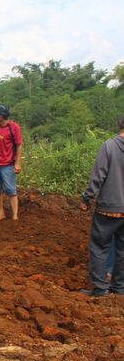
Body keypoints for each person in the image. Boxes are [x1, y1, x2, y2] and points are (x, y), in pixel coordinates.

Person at [80, 116, 124, 297]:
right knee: (122, 249)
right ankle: (120, 288)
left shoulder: (110, 146)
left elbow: (98, 176)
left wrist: (87, 198)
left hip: (108, 207)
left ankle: (100, 288)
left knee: (99, 246)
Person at [0, 105, 23, 224]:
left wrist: (17, 163)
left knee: (10, 189)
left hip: (8, 164)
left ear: (1, 116)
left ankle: (14, 216)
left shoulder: (14, 127)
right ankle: (1, 213)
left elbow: (19, 145)